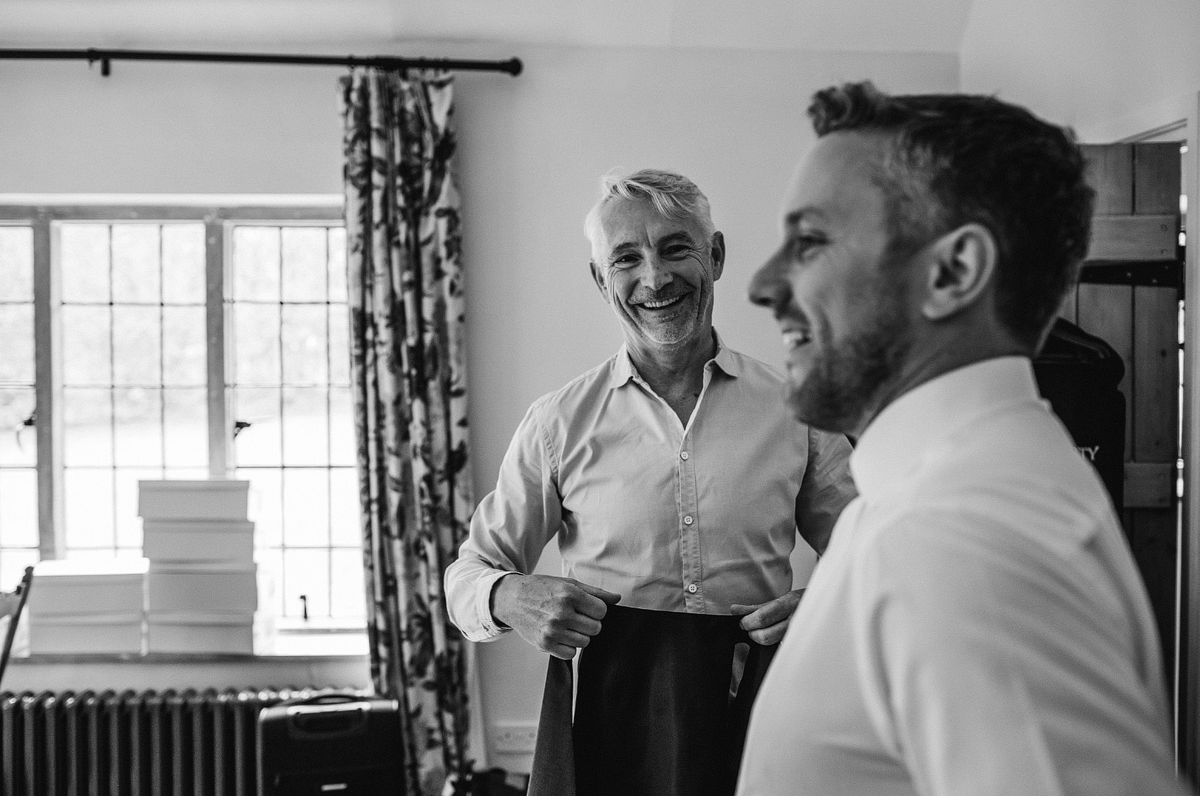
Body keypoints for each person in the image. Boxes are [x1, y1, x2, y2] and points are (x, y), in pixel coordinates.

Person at [736, 81, 1193, 796]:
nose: (762, 286)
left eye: (811, 242)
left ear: (953, 272)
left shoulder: (955, 538)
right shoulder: (946, 496)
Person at [445, 169, 856, 792]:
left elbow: (873, 549)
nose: (655, 278)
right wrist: (511, 598)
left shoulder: (800, 409)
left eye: (675, 248)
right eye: (627, 259)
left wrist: (827, 612)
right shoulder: (557, 422)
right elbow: (467, 576)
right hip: (605, 726)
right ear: (600, 280)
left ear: (714, 256)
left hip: (762, 713)